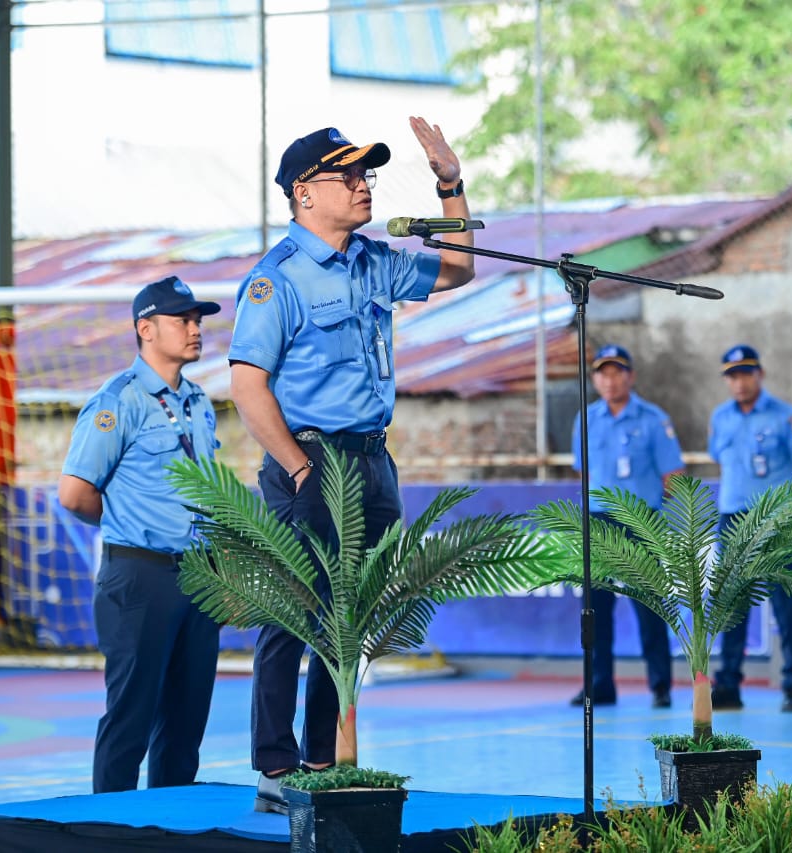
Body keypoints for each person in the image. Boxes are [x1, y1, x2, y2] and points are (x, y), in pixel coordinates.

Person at [228, 119, 477, 812]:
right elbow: (248, 385)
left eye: (367, 174)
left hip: (371, 459)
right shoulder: (275, 280)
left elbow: (461, 267)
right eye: (350, 175)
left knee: (349, 618)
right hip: (310, 460)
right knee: (293, 617)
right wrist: (300, 468)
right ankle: (276, 769)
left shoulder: (372, 261)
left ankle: (322, 756)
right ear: (305, 193)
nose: (365, 184)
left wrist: (450, 185)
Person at [58, 276, 222, 793]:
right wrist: (130, 526)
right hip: (140, 575)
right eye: (184, 320)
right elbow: (75, 493)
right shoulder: (118, 401)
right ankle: (110, 833)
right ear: (146, 329)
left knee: (185, 723)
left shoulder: (198, 400)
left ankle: (168, 834)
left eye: (198, 320)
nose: (196, 329)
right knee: (130, 716)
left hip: (199, 577)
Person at [569, 344, 682, 709]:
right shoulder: (585, 419)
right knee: (594, 608)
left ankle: (660, 685)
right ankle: (599, 684)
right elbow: (582, 472)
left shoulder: (653, 419)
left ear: (630, 377)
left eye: (617, 371)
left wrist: (654, 524)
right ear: (595, 379)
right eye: (603, 372)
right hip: (599, 522)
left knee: (649, 605)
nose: (610, 379)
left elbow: (673, 476)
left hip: (640, 521)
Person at [708, 345, 792, 712]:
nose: (739, 382)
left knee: (785, 606)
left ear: (760, 375)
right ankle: (729, 683)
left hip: (775, 521)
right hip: (733, 520)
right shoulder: (720, 417)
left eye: (746, 374)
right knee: (732, 606)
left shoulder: (786, 417)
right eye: (732, 376)